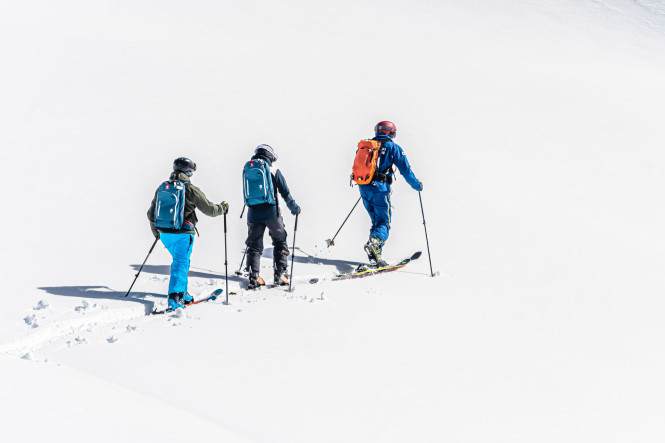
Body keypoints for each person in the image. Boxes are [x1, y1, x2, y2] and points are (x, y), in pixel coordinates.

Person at [147, 157, 228, 310]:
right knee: (180, 263)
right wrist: (223, 207)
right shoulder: (190, 189)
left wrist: (156, 233)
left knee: (182, 262)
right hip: (183, 233)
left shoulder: (162, 188)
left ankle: (182, 292)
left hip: (164, 234)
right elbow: (210, 210)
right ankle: (175, 297)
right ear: (188, 172)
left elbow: (150, 214)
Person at [358, 121, 422, 267]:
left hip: (364, 187)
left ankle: (375, 255)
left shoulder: (367, 146)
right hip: (380, 189)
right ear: (390, 132)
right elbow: (406, 170)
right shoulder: (393, 147)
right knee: (383, 222)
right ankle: (374, 244)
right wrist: (417, 186)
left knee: (376, 221)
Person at [244, 144, 300, 289]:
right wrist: (294, 208)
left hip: (253, 213)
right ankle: (280, 274)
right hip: (271, 212)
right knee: (280, 241)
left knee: (253, 245)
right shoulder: (273, 170)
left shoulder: (248, 169)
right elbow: (285, 193)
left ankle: (253, 276)